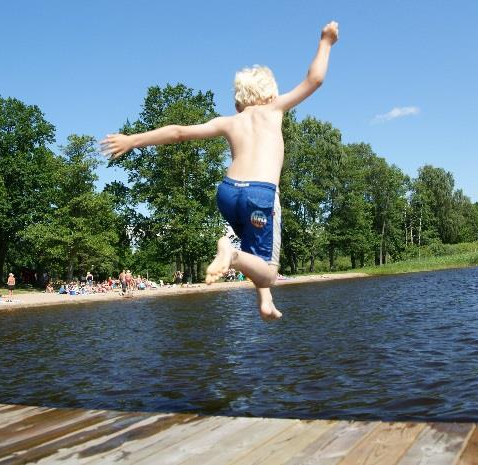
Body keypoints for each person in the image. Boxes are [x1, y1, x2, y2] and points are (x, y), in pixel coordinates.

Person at [103, 21, 339, 321]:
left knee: (256, 247)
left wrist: (133, 140)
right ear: (269, 94)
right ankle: (233, 255)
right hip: (260, 194)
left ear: (240, 100)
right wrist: (326, 41)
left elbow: (178, 132)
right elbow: (315, 78)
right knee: (267, 272)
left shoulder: (228, 121)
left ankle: (264, 302)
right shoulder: (274, 108)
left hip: (228, 193)